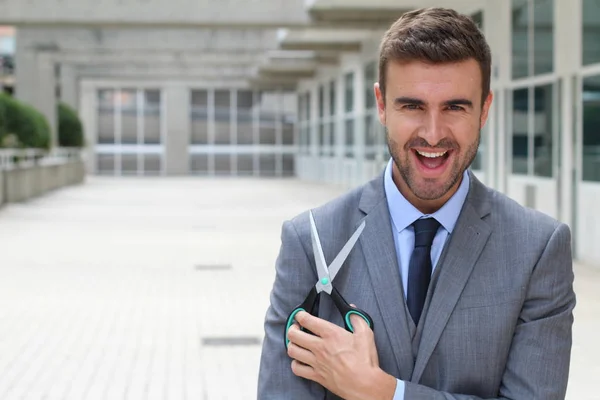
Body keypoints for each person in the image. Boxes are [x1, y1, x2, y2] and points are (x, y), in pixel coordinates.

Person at [257, 6, 576, 400]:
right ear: (381, 104)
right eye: (412, 106)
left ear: (485, 110)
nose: (433, 133)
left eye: (455, 107)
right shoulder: (312, 241)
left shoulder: (537, 249)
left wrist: (385, 392)